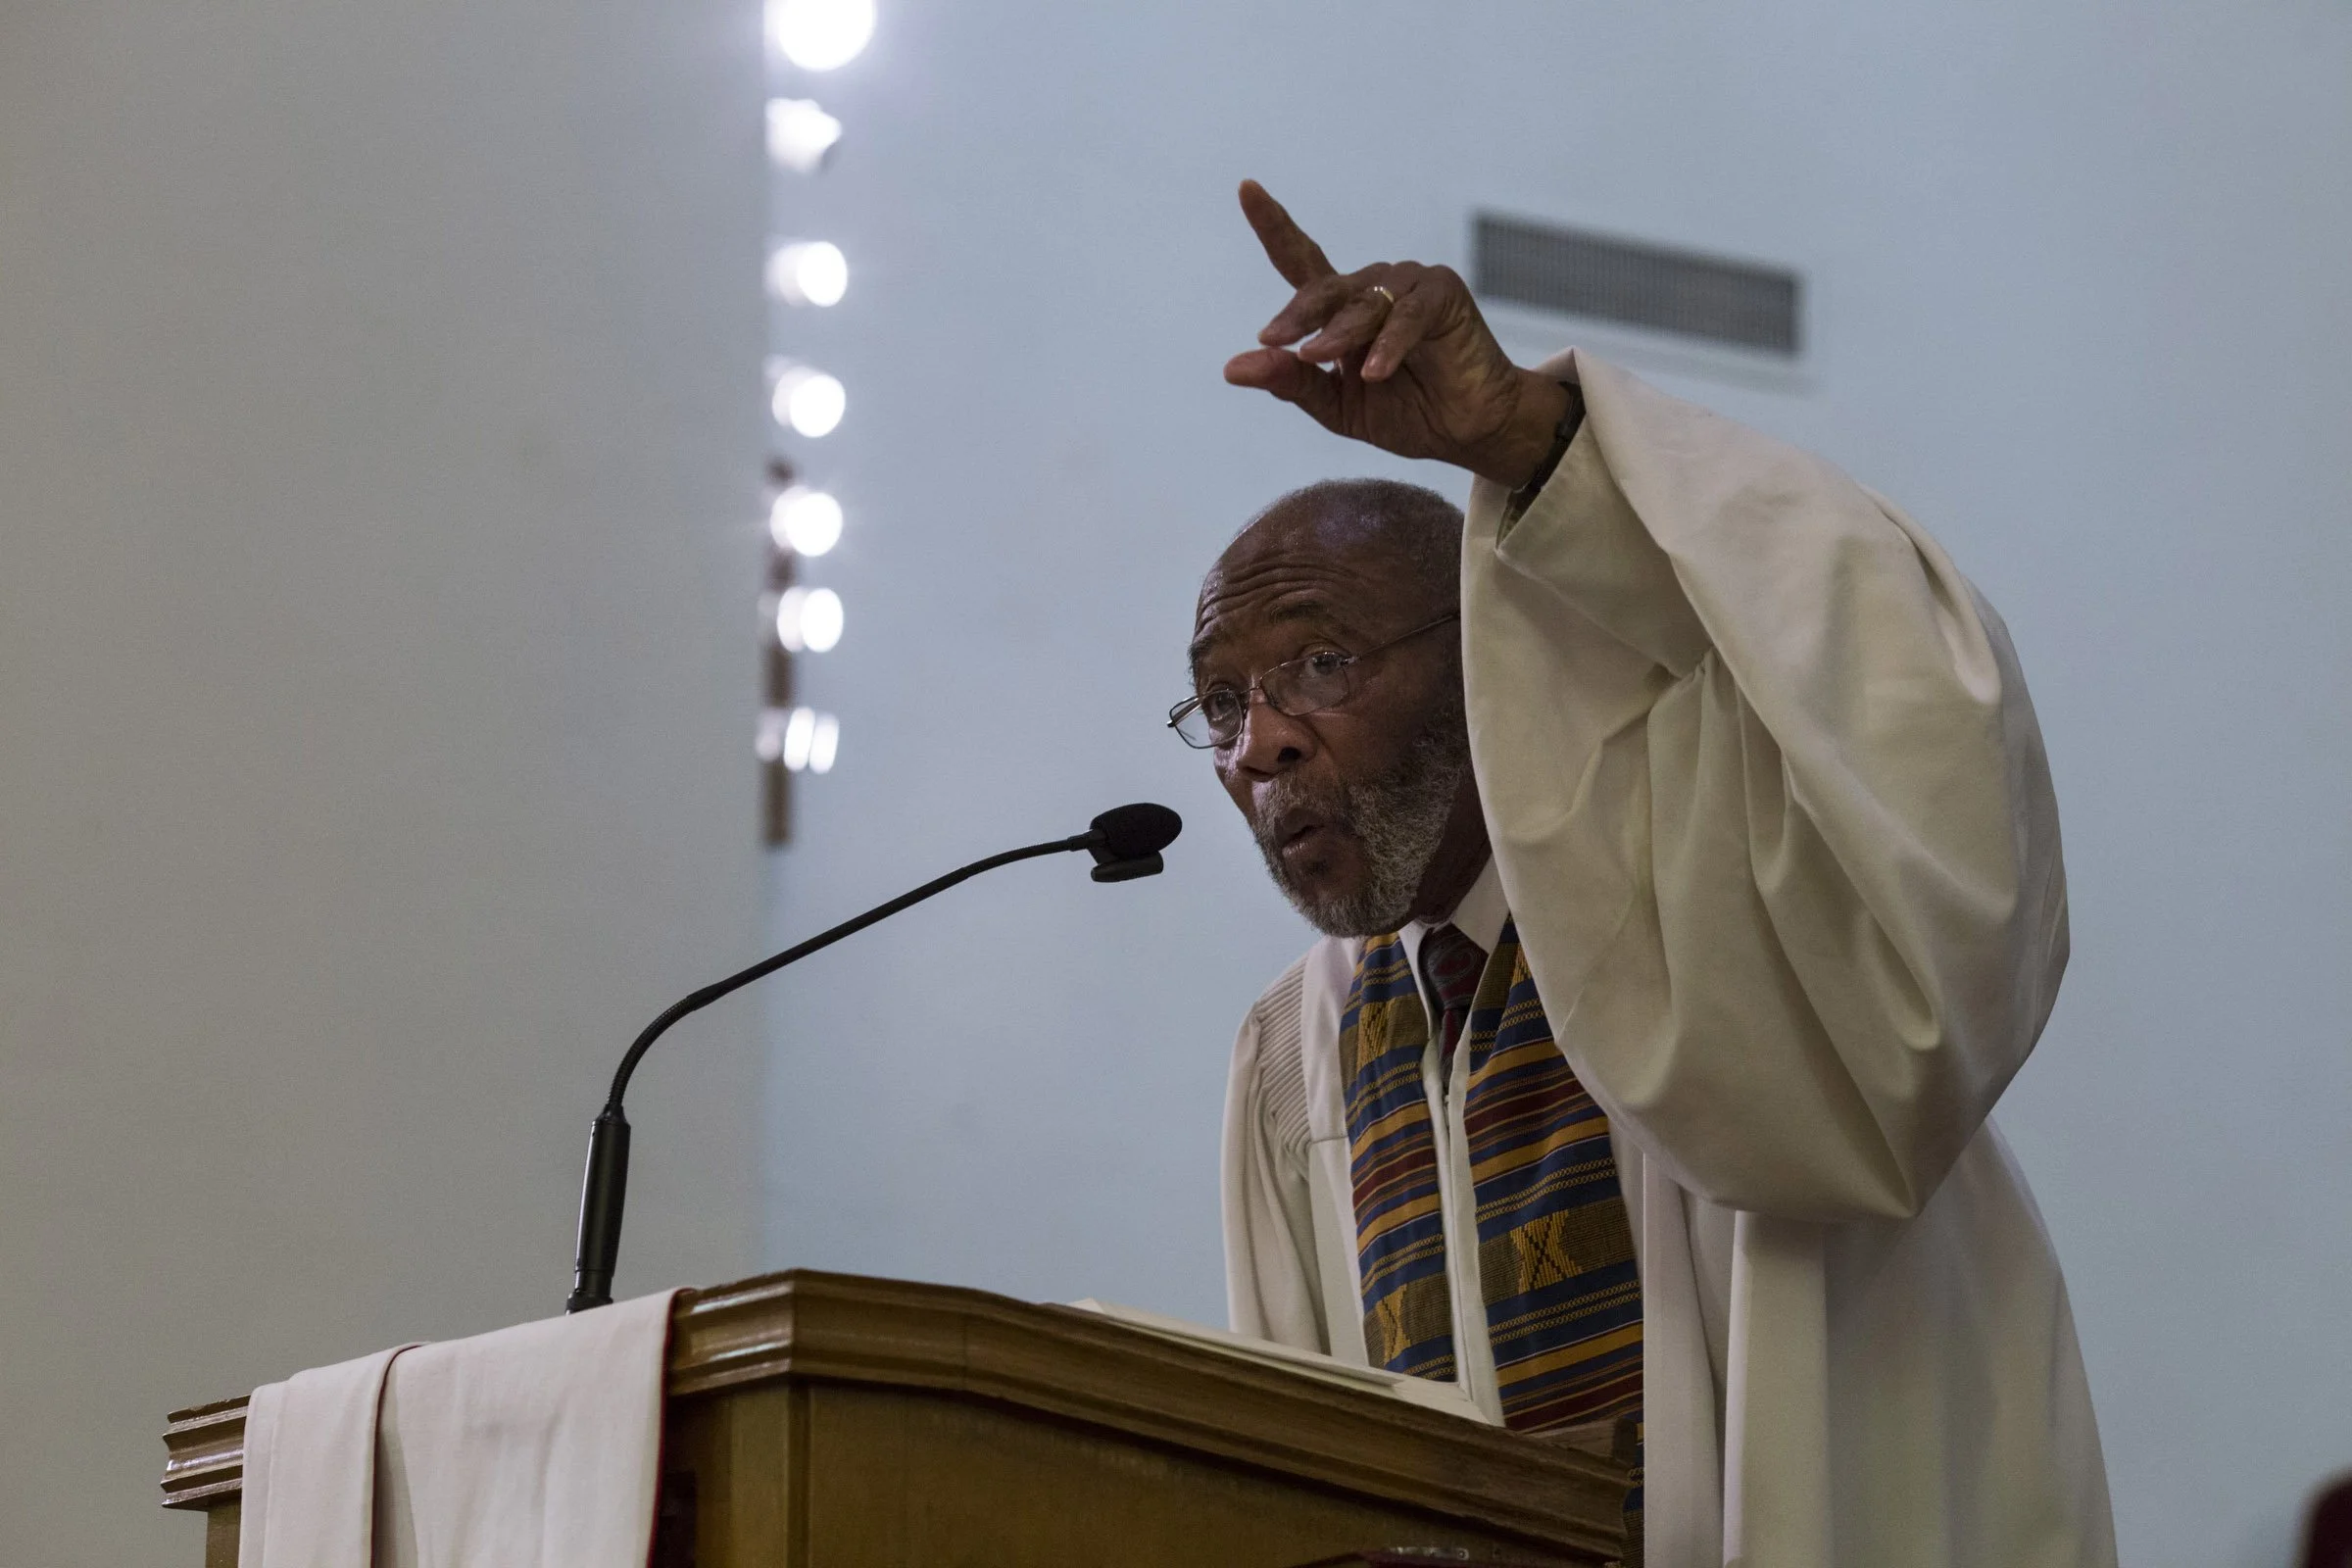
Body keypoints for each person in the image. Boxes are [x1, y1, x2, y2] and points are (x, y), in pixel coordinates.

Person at [1197, 181, 2115, 1568]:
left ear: (1479, 659)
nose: (1261, 745)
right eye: (1220, 703)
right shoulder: (1299, 1056)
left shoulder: (1729, 894)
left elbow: (1916, 725)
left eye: (1319, 666)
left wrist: (1526, 437)